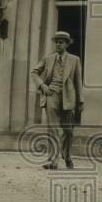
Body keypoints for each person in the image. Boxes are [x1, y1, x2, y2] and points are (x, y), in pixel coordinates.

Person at [32, 30, 84, 170]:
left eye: (61, 42)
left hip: (68, 97)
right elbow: (34, 72)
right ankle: (53, 161)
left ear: (67, 44)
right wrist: (42, 85)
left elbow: (78, 81)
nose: (58, 44)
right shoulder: (48, 58)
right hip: (51, 95)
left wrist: (80, 101)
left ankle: (67, 157)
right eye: (57, 42)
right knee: (53, 129)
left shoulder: (75, 60)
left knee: (68, 130)